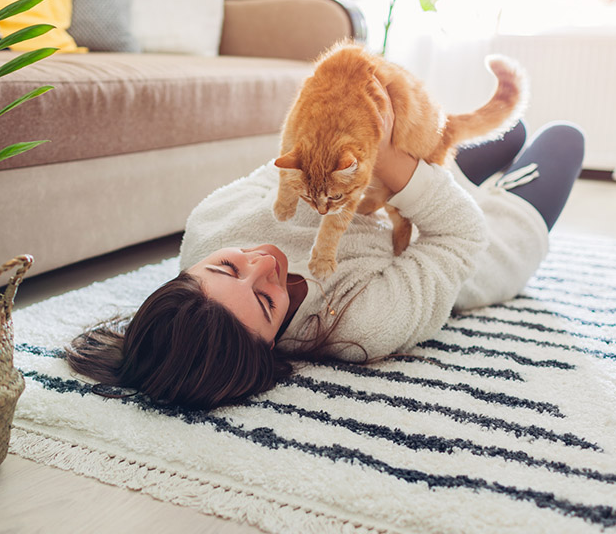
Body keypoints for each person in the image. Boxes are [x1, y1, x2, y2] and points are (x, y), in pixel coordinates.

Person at [66, 113, 585, 410]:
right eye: (267, 300)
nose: (263, 261)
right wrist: (393, 164)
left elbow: (280, 167)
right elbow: (458, 234)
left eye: (227, 267)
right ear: (270, 347)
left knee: (510, 127)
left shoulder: (207, 229)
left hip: (383, 188)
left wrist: (364, 144)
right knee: (564, 138)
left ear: (191, 269)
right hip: (474, 239)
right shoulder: (357, 324)